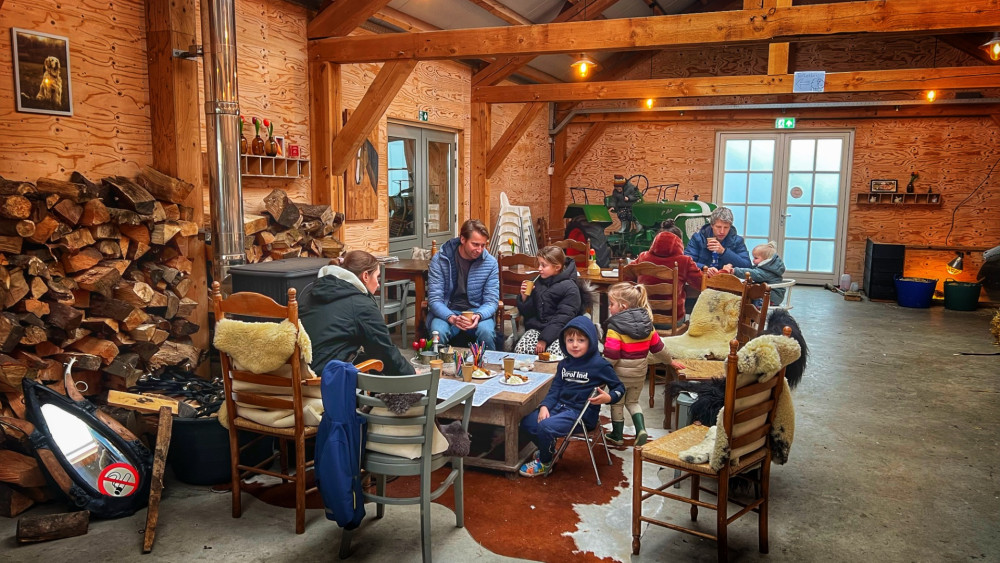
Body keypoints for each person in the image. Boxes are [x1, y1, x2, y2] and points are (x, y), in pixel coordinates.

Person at [519, 316, 625, 477]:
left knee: (545, 426)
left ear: (591, 341)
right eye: (570, 340)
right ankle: (549, 449)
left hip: (581, 415)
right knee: (527, 422)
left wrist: (609, 398)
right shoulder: (564, 364)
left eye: (581, 340)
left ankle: (546, 462)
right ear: (564, 342)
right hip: (559, 408)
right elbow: (554, 390)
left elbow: (620, 387)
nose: (575, 345)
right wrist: (545, 406)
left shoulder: (600, 365)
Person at [300, 251, 415, 376]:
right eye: (377, 277)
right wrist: (412, 375)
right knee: (380, 366)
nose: (378, 284)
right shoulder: (361, 304)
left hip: (300, 372)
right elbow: (383, 350)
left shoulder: (313, 292)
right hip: (326, 379)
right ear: (365, 276)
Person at [603, 283, 677, 446]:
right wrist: (670, 361)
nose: (609, 308)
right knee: (633, 402)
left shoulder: (615, 327)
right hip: (639, 374)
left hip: (620, 376)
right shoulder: (647, 324)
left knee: (618, 403)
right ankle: (641, 429)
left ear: (623, 306)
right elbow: (658, 348)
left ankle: (617, 435)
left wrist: (601, 369)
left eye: (611, 304)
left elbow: (612, 355)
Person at [427, 219, 500, 349]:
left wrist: (479, 315)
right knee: (437, 333)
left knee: (486, 332)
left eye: (483, 245)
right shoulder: (441, 259)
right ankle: (438, 367)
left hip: (477, 311)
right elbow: (434, 299)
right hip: (448, 310)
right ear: (462, 239)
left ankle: (489, 367)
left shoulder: (491, 263)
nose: (479, 250)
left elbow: (491, 301)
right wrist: (451, 317)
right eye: (475, 244)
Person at [514, 246, 591, 355]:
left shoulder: (570, 288)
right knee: (522, 349)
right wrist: (524, 298)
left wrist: (545, 339)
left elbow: (563, 318)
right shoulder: (537, 281)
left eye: (544, 265)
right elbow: (529, 313)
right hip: (536, 328)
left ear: (557, 267)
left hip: (563, 331)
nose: (539, 268)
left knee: (554, 355)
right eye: (539, 264)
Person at [635, 219, 704, 319]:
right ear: (679, 242)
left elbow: (627, 274)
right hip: (672, 320)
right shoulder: (684, 261)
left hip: (644, 319)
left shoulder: (643, 257)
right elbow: (702, 284)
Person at [684, 206, 752, 273]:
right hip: (701, 280)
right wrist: (704, 268)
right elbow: (686, 262)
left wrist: (724, 252)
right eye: (718, 227)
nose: (722, 231)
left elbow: (747, 266)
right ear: (712, 225)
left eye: (726, 227)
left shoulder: (738, 241)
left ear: (730, 227)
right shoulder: (698, 238)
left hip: (727, 281)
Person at [723, 241, 788, 305]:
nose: (753, 260)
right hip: (768, 293)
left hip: (772, 296)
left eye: (756, 258)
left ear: (765, 260)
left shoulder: (768, 271)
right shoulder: (767, 267)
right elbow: (753, 271)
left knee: (751, 295)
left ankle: (754, 309)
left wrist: (735, 271)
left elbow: (754, 274)